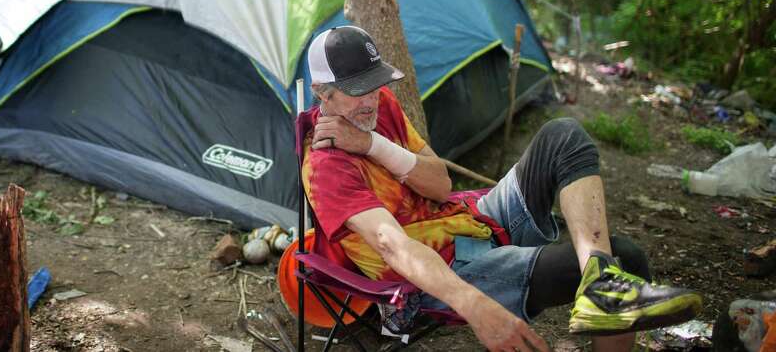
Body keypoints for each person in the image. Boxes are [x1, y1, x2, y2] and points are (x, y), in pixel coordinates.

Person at [301, 25, 702, 352]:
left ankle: (600, 282)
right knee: (629, 257)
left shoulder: (380, 104)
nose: (371, 99)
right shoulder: (324, 168)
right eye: (358, 91)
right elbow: (393, 246)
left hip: (465, 219)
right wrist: (476, 306)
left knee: (562, 135)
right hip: (440, 271)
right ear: (322, 92)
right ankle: (608, 282)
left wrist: (372, 144)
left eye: (375, 85)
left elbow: (440, 185)